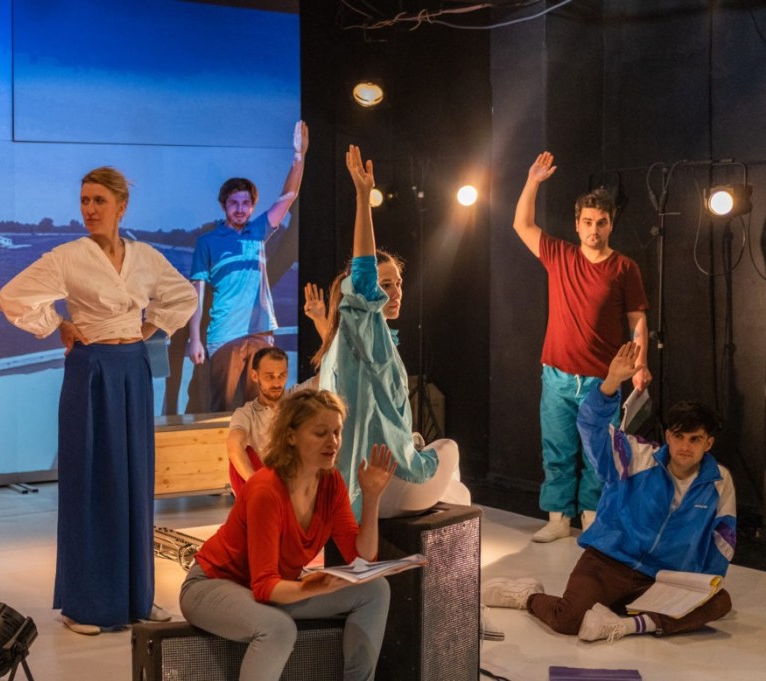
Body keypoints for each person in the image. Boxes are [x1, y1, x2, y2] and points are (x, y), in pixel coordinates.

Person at [0, 166, 197, 635]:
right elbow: (11, 298)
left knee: (134, 479)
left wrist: (151, 326)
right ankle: (83, 606)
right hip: (91, 370)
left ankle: (137, 597)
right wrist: (58, 324)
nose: (89, 209)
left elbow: (182, 295)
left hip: (133, 370)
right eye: (84, 200)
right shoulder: (68, 257)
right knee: (90, 480)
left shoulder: (145, 256)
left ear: (121, 206)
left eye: (99, 201)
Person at [481, 342, 735, 642]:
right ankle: (526, 596)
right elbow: (591, 426)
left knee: (720, 601)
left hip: (660, 577)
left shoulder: (720, 481)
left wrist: (700, 586)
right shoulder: (638, 457)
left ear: (708, 443)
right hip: (608, 563)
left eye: (695, 440)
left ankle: (626, 625)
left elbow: (722, 541)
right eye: (679, 437)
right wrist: (612, 381)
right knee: (568, 620)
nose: (684, 447)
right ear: (668, 436)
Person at [180, 389, 396, 681]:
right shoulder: (266, 490)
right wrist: (317, 586)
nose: (333, 442)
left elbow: (363, 559)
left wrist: (371, 498)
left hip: (274, 589)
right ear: (291, 436)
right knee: (278, 629)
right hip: (212, 585)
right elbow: (264, 587)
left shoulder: (331, 483)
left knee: (375, 590)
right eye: (320, 433)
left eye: (336, 432)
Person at [314, 145, 467, 521]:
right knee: (448, 449)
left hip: (362, 490)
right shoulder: (364, 322)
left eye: (398, 283)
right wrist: (363, 197)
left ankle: (447, 535)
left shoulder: (354, 338)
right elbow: (363, 271)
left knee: (446, 477)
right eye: (385, 285)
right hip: (380, 490)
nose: (394, 292)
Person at [513, 151, 650, 542]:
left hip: (602, 378)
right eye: (587, 222)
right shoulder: (560, 254)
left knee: (598, 451)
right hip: (557, 372)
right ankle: (558, 517)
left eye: (601, 222)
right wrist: (533, 180)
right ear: (577, 224)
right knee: (557, 447)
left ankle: (593, 514)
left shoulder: (624, 268)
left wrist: (640, 363)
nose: (594, 229)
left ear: (611, 224)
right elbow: (522, 224)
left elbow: (637, 320)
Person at [186, 121, 309, 413]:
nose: (240, 208)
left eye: (246, 203)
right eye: (234, 203)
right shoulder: (208, 242)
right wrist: (195, 339)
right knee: (224, 411)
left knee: (263, 410)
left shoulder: (258, 232)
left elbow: (288, 197)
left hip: (260, 333)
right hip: (225, 336)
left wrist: (299, 156)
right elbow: (196, 294)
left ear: (253, 206)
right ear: (224, 205)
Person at [226, 346, 289, 495]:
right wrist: (259, 484)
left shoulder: (299, 398)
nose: (277, 383)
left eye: (282, 375)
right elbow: (234, 446)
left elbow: (330, 371)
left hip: (295, 482)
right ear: (255, 376)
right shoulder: (246, 413)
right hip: (263, 486)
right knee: (241, 454)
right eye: (269, 376)